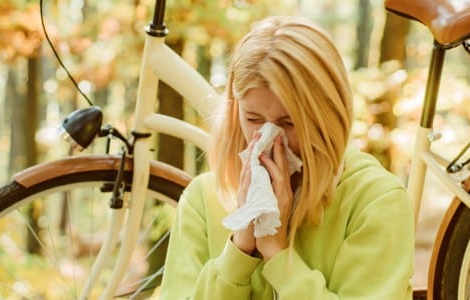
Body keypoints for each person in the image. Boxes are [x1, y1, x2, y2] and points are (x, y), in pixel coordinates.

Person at [160, 15, 415, 299]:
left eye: (289, 122)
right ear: (236, 112)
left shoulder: (376, 201)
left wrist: (278, 254)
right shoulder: (203, 200)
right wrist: (239, 252)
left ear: (327, 115)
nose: (269, 138)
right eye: (253, 118)